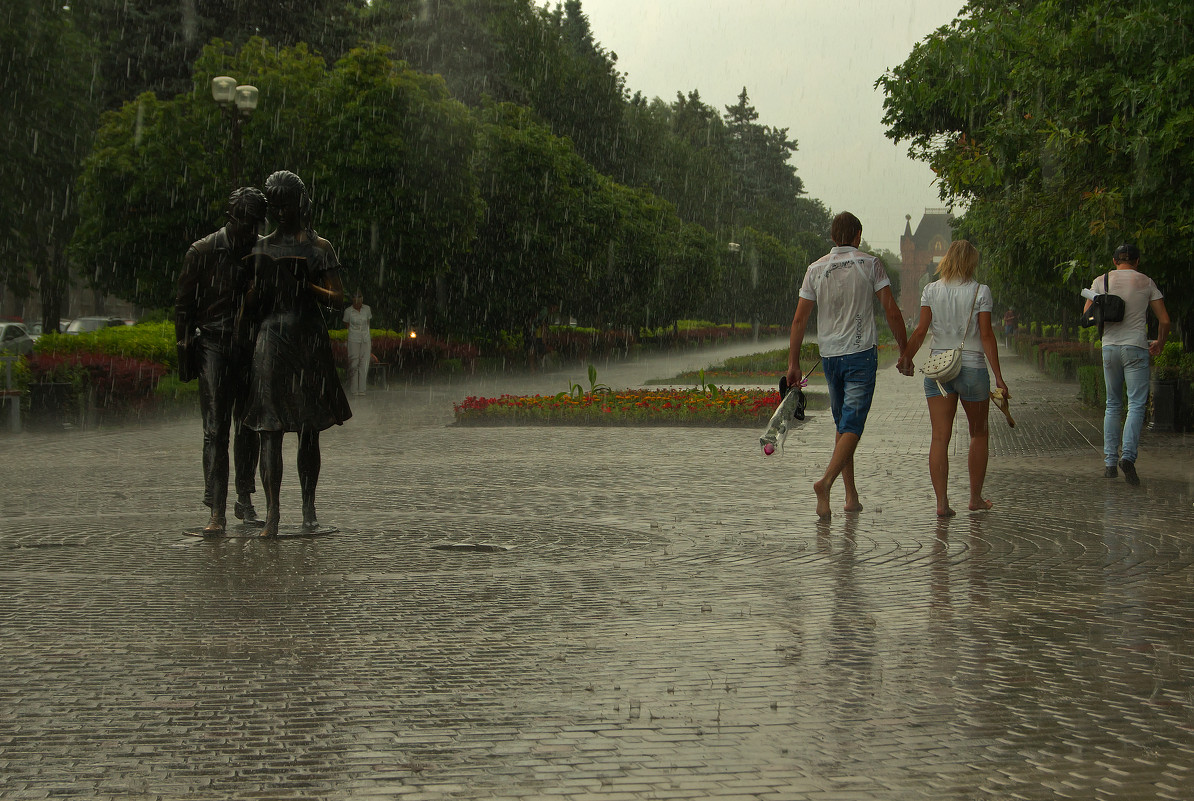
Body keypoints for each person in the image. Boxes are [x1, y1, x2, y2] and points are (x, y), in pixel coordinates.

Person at [241, 170, 353, 536]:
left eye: (287, 206)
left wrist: (309, 286)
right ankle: (272, 512)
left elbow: (339, 298)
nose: (281, 214)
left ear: (301, 204)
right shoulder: (260, 246)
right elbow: (250, 303)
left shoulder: (319, 247)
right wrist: (255, 296)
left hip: (307, 338)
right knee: (268, 427)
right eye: (275, 207)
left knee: (308, 428)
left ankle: (308, 506)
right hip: (271, 338)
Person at [785, 211, 911, 519]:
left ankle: (850, 496)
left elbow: (800, 319)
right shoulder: (869, 264)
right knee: (853, 424)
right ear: (857, 236)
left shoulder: (815, 269)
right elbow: (891, 311)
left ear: (832, 237)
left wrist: (793, 363)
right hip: (860, 355)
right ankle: (825, 483)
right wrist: (905, 350)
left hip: (830, 357)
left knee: (843, 425)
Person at [174, 187, 266, 534]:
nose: (253, 231)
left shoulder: (261, 250)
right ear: (233, 220)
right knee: (215, 430)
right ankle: (216, 509)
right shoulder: (202, 251)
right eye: (248, 224)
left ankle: (244, 499)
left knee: (248, 426)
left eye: (257, 224)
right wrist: (185, 359)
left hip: (249, 346)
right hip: (212, 344)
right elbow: (183, 308)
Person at [898, 240, 1009, 516]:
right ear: (971, 262)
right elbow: (986, 336)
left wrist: (907, 356)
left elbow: (921, 330)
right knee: (979, 432)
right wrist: (999, 377)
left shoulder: (930, 290)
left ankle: (942, 504)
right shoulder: (980, 292)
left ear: (946, 260)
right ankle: (975, 498)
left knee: (939, 438)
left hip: (938, 370)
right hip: (972, 369)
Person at [1082, 244, 1169, 486]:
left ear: (1114, 260)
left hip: (1109, 348)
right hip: (1136, 347)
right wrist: (1160, 342)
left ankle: (1110, 463)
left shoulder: (1101, 280)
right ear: (1137, 261)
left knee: (1112, 403)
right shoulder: (1146, 282)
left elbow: (1086, 313)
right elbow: (1164, 319)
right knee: (1136, 404)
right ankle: (1128, 457)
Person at [343, 291, 372, 397]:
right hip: (353, 339)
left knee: (364, 364)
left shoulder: (367, 309)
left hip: (365, 339)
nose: (358, 304)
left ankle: (362, 389)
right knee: (354, 363)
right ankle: (354, 389)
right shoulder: (348, 311)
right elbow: (347, 324)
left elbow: (368, 323)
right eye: (356, 301)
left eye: (359, 301)